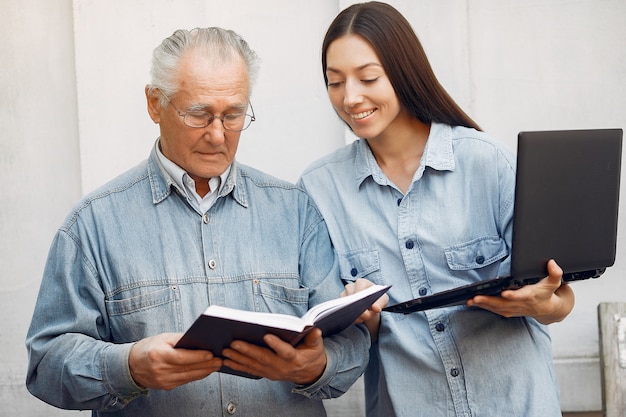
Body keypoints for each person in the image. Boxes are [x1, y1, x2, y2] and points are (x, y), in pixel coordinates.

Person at [25, 27, 372, 417]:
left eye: (234, 115)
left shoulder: (296, 211)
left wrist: (318, 366)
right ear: (155, 104)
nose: (217, 134)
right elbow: (46, 366)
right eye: (199, 114)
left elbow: (349, 341)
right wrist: (129, 367)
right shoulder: (92, 225)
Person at [298, 2, 575, 416]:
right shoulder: (319, 189)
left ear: (404, 71)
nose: (350, 97)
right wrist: (361, 314)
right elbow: (343, 338)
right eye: (334, 82)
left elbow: (560, 298)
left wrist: (541, 304)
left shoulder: (487, 162)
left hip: (517, 404)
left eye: (368, 77)